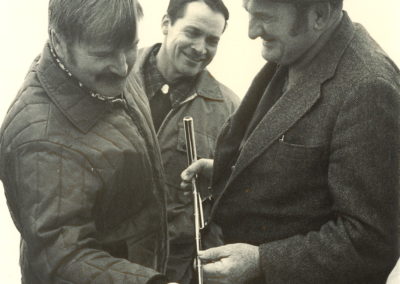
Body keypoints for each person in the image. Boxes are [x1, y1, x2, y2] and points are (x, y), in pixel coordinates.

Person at [181, 0, 400, 283]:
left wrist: (263, 261)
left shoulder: (370, 88)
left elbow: (372, 241)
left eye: (265, 18)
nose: (251, 31)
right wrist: (230, 171)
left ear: (318, 15)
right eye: (249, 14)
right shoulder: (299, 50)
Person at [0, 1, 176, 283]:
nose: (122, 67)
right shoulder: (38, 138)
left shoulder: (104, 71)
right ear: (58, 41)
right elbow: (62, 258)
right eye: (103, 54)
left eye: (131, 46)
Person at [132, 0, 239, 283]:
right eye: (192, 32)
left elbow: (229, 211)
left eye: (212, 40)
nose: (200, 48)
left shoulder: (230, 110)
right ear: (166, 23)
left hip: (174, 273)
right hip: (104, 265)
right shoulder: (116, 76)